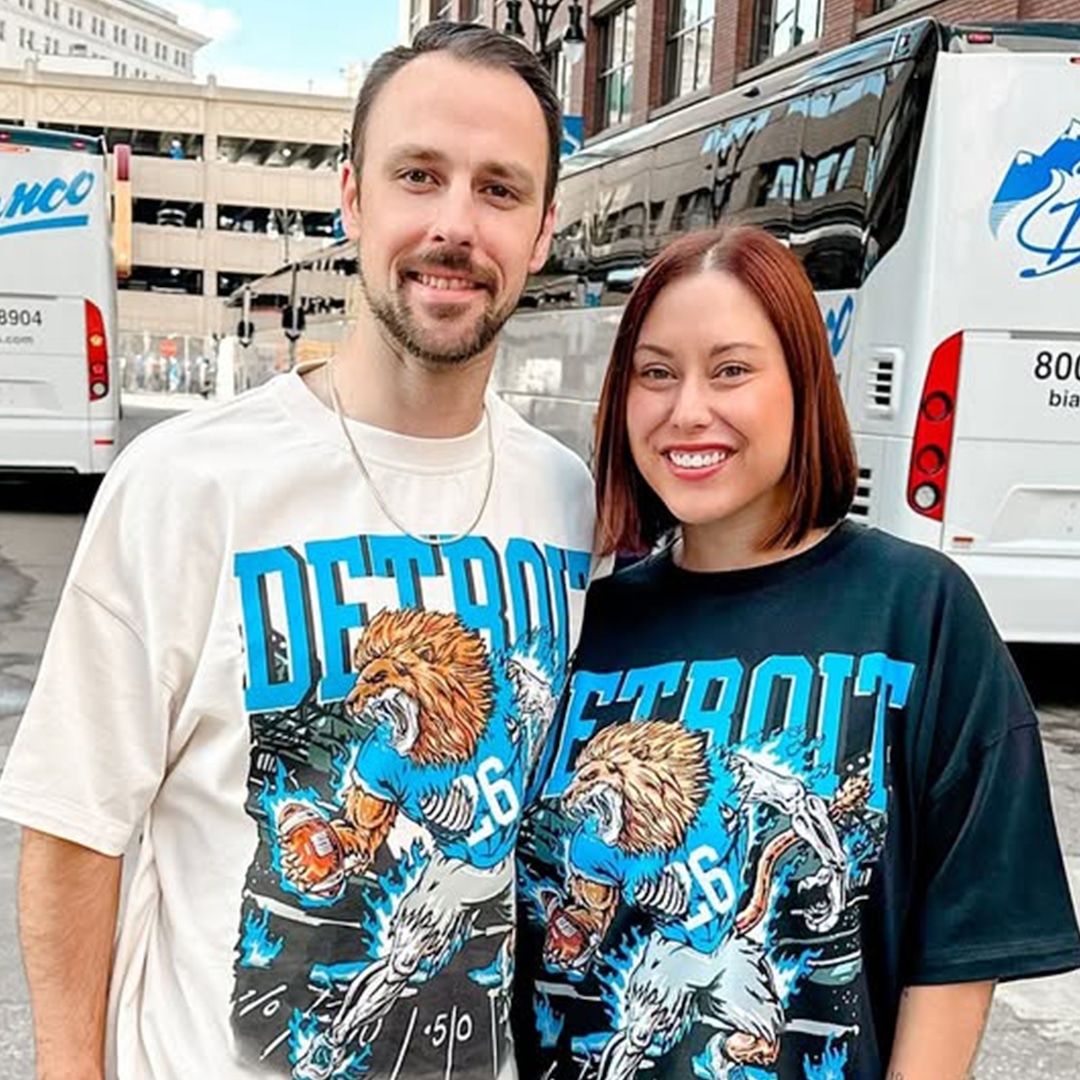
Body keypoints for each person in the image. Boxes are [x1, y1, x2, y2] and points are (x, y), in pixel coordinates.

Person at [0, 24, 596, 1080]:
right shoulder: (186, 479)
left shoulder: (564, 497)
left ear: (543, 228)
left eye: (499, 190)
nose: (455, 225)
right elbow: (72, 830)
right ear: (353, 198)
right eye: (419, 175)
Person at [513, 225, 1080, 1080]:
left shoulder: (917, 612)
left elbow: (959, 949)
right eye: (656, 373)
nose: (687, 409)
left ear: (805, 384)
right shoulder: (580, 619)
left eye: (731, 370)